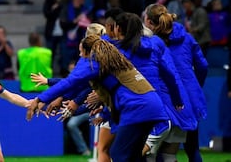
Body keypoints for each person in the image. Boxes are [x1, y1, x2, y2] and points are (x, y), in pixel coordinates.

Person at [27, 34, 169, 161]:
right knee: (133, 155)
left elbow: (71, 82)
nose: (80, 56)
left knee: (118, 154)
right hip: (152, 104)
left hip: (138, 108)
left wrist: (40, 99)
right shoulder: (113, 59)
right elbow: (80, 85)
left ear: (88, 52)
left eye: (81, 52)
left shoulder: (94, 62)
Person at [144, 3, 208, 162]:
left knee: (154, 151)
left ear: (150, 22)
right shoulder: (187, 37)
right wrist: (195, 85)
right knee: (192, 149)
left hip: (165, 100)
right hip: (189, 100)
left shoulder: (151, 43)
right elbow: (203, 65)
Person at [43, 0, 68, 74]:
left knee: (64, 53)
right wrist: (53, 9)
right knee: (50, 54)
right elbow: (46, 13)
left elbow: (67, 14)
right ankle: (49, 72)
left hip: (63, 30)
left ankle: (64, 72)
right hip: (51, 30)